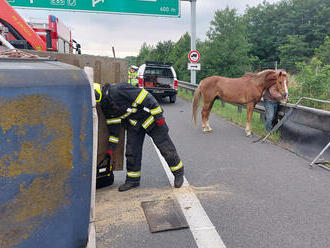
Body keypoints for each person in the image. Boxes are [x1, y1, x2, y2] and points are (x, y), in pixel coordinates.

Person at [94, 82, 184, 192]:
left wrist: (159, 117)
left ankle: (178, 173)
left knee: (165, 148)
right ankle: (132, 180)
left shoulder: (119, 89)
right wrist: (110, 149)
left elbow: (147, 98)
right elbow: (114, 128)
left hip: (151, 119)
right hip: (134, 124)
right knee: (132, 152)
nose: (101, 104)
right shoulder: (105, 106)